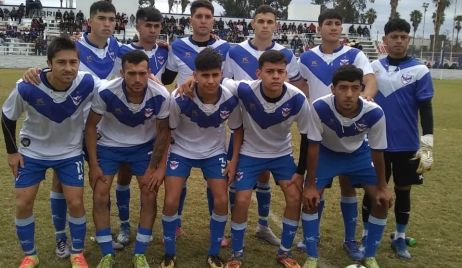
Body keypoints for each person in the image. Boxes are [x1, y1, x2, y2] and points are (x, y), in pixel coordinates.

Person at [21, 0, 129, 253]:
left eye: (112, 19)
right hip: (72, 127)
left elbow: (140, 62)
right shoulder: (74, 47)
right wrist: (32, 71)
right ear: (89, 21)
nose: (107, 24)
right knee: (61, 181)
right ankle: (62, 237)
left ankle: (104, 233)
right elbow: (51, 69)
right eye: (101, 18)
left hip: (102, 127)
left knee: (100, 182)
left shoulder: (117, 47)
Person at [1, 37, 96, 268]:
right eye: (61, 62)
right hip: (33, 152)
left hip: (69, 152)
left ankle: (77, 252)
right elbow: (7, 116)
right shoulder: (26, 86)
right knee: (23, 202)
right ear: (49, 63)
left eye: (73, 62)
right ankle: (30, 255)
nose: (68, 68)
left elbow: (118, 84)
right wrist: (13, 153)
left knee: (75, 202)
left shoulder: (87, 83)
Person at [222, 50, 316, 268]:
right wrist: (189, 80)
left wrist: (300, 172)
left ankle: (284, 252)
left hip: (281, 154)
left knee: (294, 197)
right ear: (258, 73)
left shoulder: (298, 99)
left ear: (286, 74)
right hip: (249, 153)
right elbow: (219, 79)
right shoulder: (244, 89)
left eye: (280, 71)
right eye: (270, 71)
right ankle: (237, 253)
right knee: (242, 200)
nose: (276, 76)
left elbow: (307, 137)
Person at [222, 4, 305, 247]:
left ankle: (263, 226)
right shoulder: (235, 51)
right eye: (261, 21)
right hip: (242, 124)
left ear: (276, 25)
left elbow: (298, 85)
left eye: (270, 21)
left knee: (265, 175)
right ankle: (230, 227)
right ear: (253, 23)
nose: (265, 25)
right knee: (235, 179)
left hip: (271, 125)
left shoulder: (287, 54)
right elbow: (225, 82)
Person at [297, 9, 377, 260]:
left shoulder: (355, 54)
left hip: (350, 130)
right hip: (319, 130)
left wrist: (363, 101)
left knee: (348, 186)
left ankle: (350, 239)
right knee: (314, 186)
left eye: (337, 24)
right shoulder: (306, 58)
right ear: (319, 28)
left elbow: (370, 80)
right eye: (328, 23)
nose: (333, 27)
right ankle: (312, 236)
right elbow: (300, 86)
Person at [300, 65, 393, 268]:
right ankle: (312, 255)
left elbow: (378, 152)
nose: (349, 94)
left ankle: (369, 255)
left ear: (361, 89)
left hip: (358, 155)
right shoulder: (319, 107)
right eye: (343, 88)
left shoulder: (375, 112)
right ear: (333, 89)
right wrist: (310, 184)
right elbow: (313, 145)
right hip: (326, 153)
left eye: (354, 88)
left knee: (380, 201)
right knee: (310, 200)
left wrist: (383, 187)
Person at [85, 50, 170, 268]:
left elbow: (163, 132)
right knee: (100, 192)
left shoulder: (160, 94)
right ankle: (106, 252)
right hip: (109, 146)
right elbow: (91, 126)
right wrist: (93, 165)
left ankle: (140, 252)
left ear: (149, 72)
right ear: (122, 73)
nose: (138, 79)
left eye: (142, 73)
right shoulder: (106, 91)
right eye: (131, 74)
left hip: (142, 148)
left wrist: (156, 167)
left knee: (149, 192)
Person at [161, 48, 240, 268]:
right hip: (182, 151)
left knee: (222, 199)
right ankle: (169, 254)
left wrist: (233, 160)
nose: (211, 80)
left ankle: (214, 253)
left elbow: (237, 128)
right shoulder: (178, 97)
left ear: (222, 73)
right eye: (205, 75)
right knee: (170, 200)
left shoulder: (231, 95)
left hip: (213, 153)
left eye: (215, 75)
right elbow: (169, 130)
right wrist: (162, 163)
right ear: (195, 75)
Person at [363, 18, 434, 260]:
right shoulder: (372, 68)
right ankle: (366, 235)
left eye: (404, 37)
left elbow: (426, 109)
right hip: (376, 144)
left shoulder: (420, 70)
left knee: (404, 191)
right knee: (372, 191)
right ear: (384, 40)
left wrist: (427, 146)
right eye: (394, 36)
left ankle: (400, 237)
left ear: (408, 40)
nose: (399, 41)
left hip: (407, 145)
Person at [161, 0, 231, 239]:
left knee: (216, 182)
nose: (203, 20)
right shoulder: (177, 46)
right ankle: (176, 222)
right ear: (190, 20)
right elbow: (168, 77)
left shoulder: (226, 47)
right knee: (178, 179)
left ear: (213, 20)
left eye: (207, 16)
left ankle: (217, 231)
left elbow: (229, 79)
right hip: (184, 121)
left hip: (212, 121)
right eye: (198, 16)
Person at [116, 7, 168, 80]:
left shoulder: (165, 51)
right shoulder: (123, 51)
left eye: (156, 26)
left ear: (161, 28)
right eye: (148, 25)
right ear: (137, 27)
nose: (153, 30)